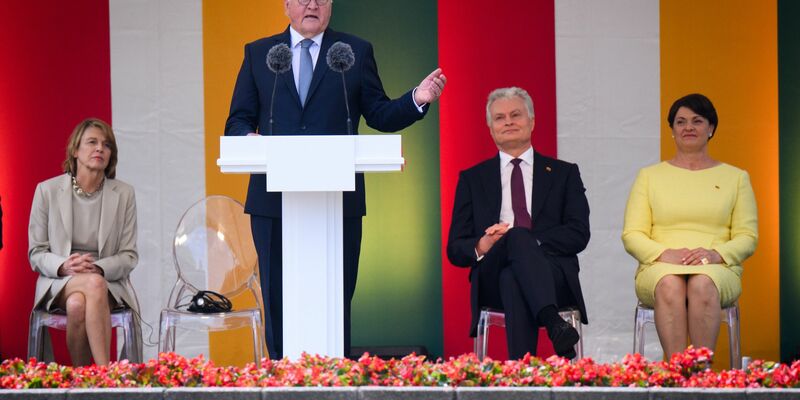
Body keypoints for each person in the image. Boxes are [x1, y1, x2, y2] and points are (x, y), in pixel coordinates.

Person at [224, 0, 446, 359]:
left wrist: (416, 99)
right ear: (286, 6)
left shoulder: (354, 52)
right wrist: (250, 141)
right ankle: (282, 374)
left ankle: (335, 376)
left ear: (330, 6)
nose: (311, 4)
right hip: (273, 201)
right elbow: (237, 121)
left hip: (337, 198)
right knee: (278, 297)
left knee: (335, 296)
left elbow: (378, 113)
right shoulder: (259, 53)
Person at [446, 87, 590, 360]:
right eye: (499, 118)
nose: (508, 122)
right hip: (491, 272)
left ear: (532, 122)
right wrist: (484, 243)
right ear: (491, 129)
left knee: (513, 273)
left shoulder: (564, 174)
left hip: (552, 273)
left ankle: (520, 374)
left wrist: (529, 242)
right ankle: (554, 324)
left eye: (516, 115)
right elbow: (455, 248)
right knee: (512, 247)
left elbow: (579, 233)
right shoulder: (472, 179)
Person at [622, 93, 758, 358]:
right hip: (658, 265)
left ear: (711, 128)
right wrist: (664, 254)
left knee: (702, 283)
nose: (688, 127)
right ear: (672, 130)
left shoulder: (736, 177)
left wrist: (714, 254)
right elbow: (632, 234)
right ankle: (677, 375)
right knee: (670, 283)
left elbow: (747, 237)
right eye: (681, 122)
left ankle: (701, 375)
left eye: (697, 121)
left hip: (717, 267)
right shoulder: (649, 176)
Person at [28, 118, 140, 366]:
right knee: (91, 285)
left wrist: (99, 268)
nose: (100, 148)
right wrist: (64, 265)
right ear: (75, 150)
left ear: (111, 155)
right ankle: (105, 376)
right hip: (59, 280)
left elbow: (128, 255)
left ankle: (83, 382)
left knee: (79, 303)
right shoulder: (46, 191)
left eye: (106, 145)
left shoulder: (124, 194)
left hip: (108, 281)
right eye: (92, 142)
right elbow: (36, 252)